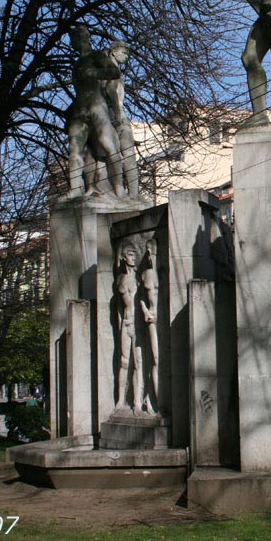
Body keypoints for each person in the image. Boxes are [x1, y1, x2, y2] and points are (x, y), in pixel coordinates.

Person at [66, 25, 125, 198]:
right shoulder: (77, 63)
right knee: (75, 149)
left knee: (108, 146)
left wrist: (94, 72)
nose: (72, 44)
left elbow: (114, 72)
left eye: (73, 40)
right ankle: (75, 190)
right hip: (80, 108)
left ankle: (119, 187)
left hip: (96, 105)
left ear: (82, 38)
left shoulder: (96, 55)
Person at [102, 40, 139, 199]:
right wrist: (118, 114)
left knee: (113, 156)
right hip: (117, 116)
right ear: (113, 52)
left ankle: (125, 193)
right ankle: (134, 194)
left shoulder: (104, 69)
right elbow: (111, 92)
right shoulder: (111, 69)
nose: (126, 57)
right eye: (124, 53)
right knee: (127, 155)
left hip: (108, 116)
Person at [115, 241, 143, 411]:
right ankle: (120, 400)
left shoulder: (139, 278)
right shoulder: (120, 279)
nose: (133, 258)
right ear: (124, 257)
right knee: (124, 362)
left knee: (138, 362)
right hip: (126, 322)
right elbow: (120, 307)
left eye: (134, 255)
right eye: (130, 255)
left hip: (138, 324)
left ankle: (137, 403)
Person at [138, 238, 159, 413]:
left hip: (164, 317)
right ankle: (152, 400)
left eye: (151, 250)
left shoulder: (165, 271)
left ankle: (155, 400)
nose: (149, 254)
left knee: (159, 360)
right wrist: (145, 311)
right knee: (155, 358)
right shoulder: (146, 274)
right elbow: (141, 298)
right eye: (147, 251)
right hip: (152, 318)